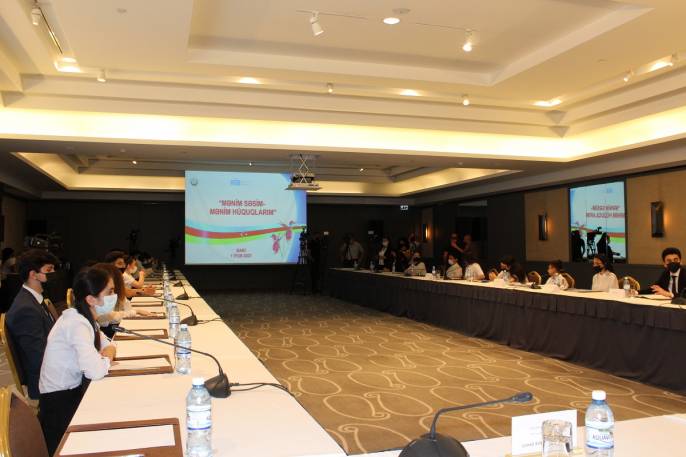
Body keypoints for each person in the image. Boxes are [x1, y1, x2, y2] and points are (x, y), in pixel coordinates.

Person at [39, 267, 117, 455]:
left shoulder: (85, 317)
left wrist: (105, 355)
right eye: (110, 292)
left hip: (72, 390)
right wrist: (105, 357)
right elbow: (95, 371)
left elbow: (108, 344)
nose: (114, 296)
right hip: (59, 404)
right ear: (91, 299)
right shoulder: (76, 323)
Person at [4, 249, 59, 400]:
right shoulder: (26, 309)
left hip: (51, 373)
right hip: (46, 383)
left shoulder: (34, 299)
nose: (53, 274)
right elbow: (39, 358)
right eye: (49, 270)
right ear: (33, 274)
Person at [93, 263, 151, 338]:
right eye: (120, 263)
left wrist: (135, 311)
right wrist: (135, 311)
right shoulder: (83, 321)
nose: (123, 265)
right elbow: (109, 318)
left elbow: (127, 308)